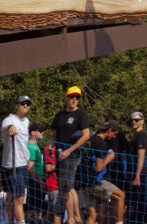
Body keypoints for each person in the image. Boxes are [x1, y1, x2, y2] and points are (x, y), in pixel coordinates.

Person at [50, 86, 90, 224]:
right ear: (66, 97)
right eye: (72, 96)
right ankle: (76, 217)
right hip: (60, 155)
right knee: (69, 187)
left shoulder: (80, 114)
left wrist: (70, 150)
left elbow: (86, 135)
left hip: (72, 155)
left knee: (65, 187)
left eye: (77, 97)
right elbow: (53, 133)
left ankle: (72, 219)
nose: (74, 99)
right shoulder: (59, 115)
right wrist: (51, 146)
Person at [79, 120, 126, 224]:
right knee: (121, 195)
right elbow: (99, 168)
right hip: (93, 182)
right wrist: (109, 158)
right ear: (109, 130)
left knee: (93, 215)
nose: (114, 136)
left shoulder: (90, 139)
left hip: (82, 182)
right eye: (115, 133)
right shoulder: (101, 143)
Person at [0, 95, 33, 224]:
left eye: (27, 104)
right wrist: (10, 128)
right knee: (13, 197)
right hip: (10, 164)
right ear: (16, 105)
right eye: (22, 103)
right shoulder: (8, 119)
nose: (25, 106)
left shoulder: (27, 121)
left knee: (18, 198)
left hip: (22, 164)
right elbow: (6, 127)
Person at [126, 111, 147, 224]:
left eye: (136, 120)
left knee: (138, 207)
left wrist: (137, 176)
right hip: (137, 173)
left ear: (142, 121)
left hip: (140, 175)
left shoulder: (141, 135)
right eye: (132, 120)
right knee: (136, 206)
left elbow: (141, 156)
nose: (133, 122)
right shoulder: (136, 135)